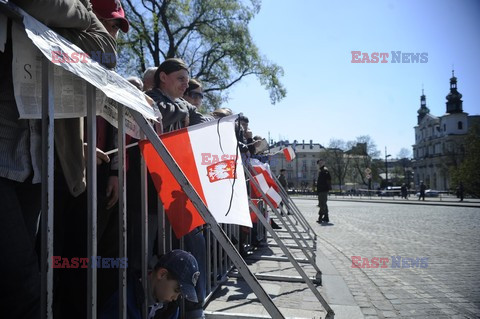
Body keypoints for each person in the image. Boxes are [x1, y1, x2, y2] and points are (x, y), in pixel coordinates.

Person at [0, 1, 116, 317]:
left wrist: (44, 27)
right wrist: (81, 14)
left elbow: (106, 49)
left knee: (27, 279)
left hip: (32, 167)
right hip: (16, 158)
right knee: (25, 284)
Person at [100, 250, 200, 319]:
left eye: (180, 294)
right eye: (177, 290)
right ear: (162, 274)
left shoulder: (171, 306)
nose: (175, 298)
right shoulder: (124, 300)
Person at [316, 159, 332, 224]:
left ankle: (320, 217)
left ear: (324, 163)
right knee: (324, 204)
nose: (320, 164)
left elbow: (328, 179)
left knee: (322, 204)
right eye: (319, 163)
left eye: (321, 163)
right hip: (321, 190)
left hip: (323, 189)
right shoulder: (321, 170)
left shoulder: (325, 170)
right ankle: (326, 217)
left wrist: (328, 188)